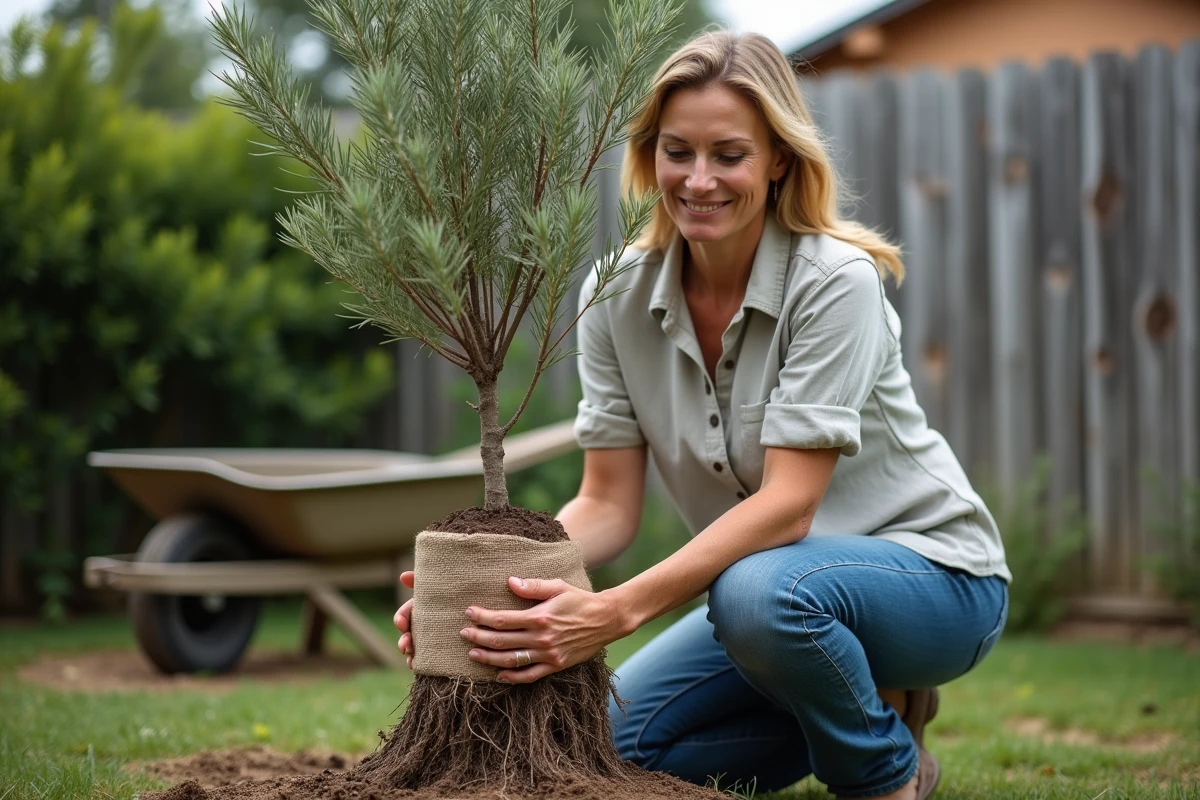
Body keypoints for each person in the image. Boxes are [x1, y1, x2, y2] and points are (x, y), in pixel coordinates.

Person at [394, 30, 1010, 800]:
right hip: (775, 602)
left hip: (934, 579)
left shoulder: (834, 282)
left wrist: (614, 611)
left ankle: (887, 775)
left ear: (779, 158)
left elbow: (789, 506)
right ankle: (862, 708)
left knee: (756, 594)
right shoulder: (614, 294)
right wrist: (484, 591)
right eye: (677, 151)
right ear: (650, 156)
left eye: (729, 154)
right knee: (606, 749)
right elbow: (609, 503)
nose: (699, 179)